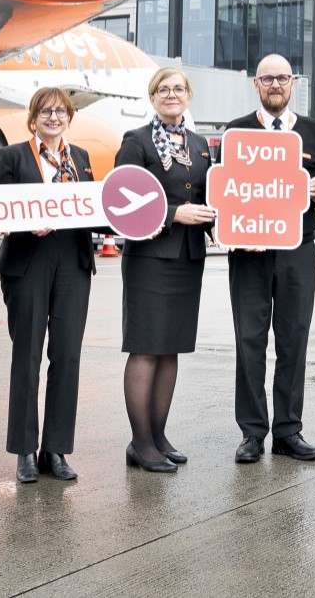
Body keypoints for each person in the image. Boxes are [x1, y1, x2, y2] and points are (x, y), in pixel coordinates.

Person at [223, 54, 315, 464]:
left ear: (293, 84)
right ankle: (252, 432)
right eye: (267, 78)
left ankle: (288, 430)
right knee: (249, 341)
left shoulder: (312, 131)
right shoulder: (235, 132)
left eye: (282, 78)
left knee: (293, 339)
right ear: (256, 84)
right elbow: (220, 190)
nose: (275, 84)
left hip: (297, 251)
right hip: (248, 254)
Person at [0, 87, 95, 484]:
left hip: (73, 260)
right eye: (45, 112)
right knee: (28, 357)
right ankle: (24, 451)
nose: (54, 117)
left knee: (67, 358)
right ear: (33, 118)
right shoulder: (13, 156)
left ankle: (56, 449)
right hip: (28, 260)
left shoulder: (79, 157)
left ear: (69, 117)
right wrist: (22, 223)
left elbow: (92, 206)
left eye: (61, 111)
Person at [114, 67, 215, 473]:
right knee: (145, 347)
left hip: (189, 258)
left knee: (171, 348)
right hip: (149, 257)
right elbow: (122, 198)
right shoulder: (136, 141)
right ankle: (140, 442)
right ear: (152, 97)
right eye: (163, 89)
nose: (171, 94)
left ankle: (158, 435)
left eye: (178, 88)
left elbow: (211, 194)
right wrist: (176, 213)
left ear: (188, 95)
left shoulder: (199, 143)